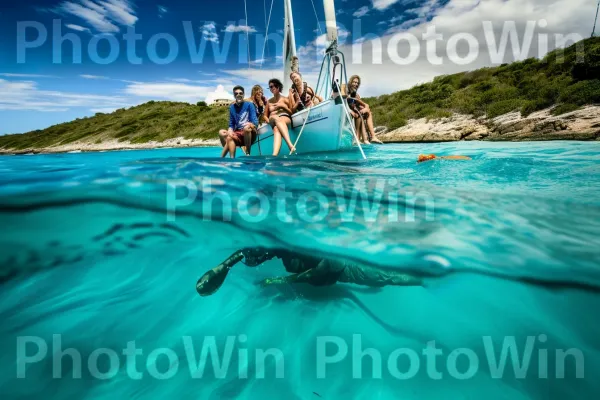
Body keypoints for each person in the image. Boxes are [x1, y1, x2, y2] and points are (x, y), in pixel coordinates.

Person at [196, 247, 425, 297]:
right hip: (329, 272)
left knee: (385, 278)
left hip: (344, 270)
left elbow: (313, 273)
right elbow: (250, 253)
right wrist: (225, 265)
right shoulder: (282, 247)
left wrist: (279, 279)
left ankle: (425, 278)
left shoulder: (321, 257)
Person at [219, 85, 258, 158]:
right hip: (238, 133)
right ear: (234, 95)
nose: (238, 95)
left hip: (250, 133)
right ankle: (231, 159)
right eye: (236, 93)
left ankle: (247, 153)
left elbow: (255, 122)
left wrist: (251, 124)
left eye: (240, 93)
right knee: (222, 133)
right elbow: (231, 124)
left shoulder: (250, 105)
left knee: (246, 128)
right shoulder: (232, 107)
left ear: (243, 94)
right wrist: (230, 131)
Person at [346, 75, 383, 144]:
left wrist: (365, 109)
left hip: (355, 113)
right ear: (350, 82)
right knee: (359, 114)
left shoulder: (356, 95)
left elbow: (366, 105)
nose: (356, 84)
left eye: (357, 83)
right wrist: (349, 110)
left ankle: (372, 137)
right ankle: (361, 138)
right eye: (354, 82)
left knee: (367, 112)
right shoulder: (345, 90)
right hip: (347, 112)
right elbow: (341, 100)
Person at [266, 78, 296, 156]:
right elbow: (264, 115)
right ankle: (290, 145)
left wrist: (283, 106)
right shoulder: (269, 102)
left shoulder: (285, 99)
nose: (272, 88)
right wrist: (268, 121)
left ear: (278, 87)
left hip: (285, 117)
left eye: (273, 86)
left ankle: (274, 155)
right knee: (276, 118)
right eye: (270, 87)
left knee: (276, 129)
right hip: (273, 118)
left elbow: (291, 112)